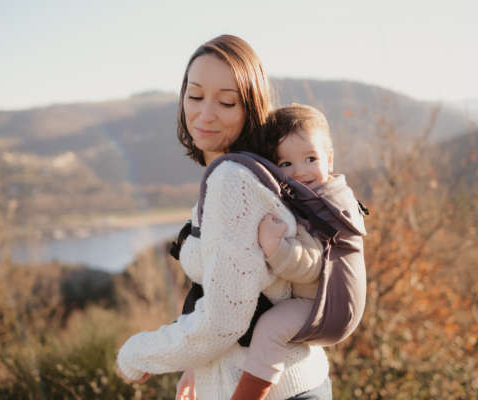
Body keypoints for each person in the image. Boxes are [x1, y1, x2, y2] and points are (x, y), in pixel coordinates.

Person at [116, 35, 332, 400]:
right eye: (195, 96)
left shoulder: (232, 182)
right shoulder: (247, 172)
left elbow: (223, 321)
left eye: (227, 101)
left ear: (251, 108)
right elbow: (238, 289)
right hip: (296, 383)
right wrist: (197, 366)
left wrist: (137, 354)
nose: (205, 114)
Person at [230, 104, 366, 400]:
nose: (301, 171)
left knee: (270, 327)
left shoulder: (326, 206)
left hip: (329, 306)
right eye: (286, 164)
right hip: (325, 302)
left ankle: (248, 395)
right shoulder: (314, 197)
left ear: (329, 160)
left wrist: (275, 248)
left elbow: (313, 265)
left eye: (310, 158)